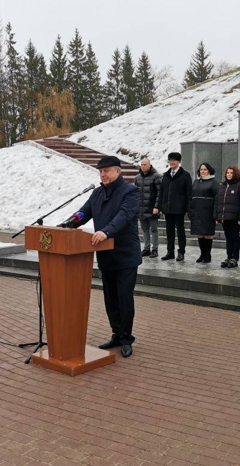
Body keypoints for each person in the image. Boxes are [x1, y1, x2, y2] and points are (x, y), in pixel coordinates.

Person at [70, 156, 142, 358]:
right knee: (110, 299)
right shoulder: (97, 193)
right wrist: (68, 223)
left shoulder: (131, 192)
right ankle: (116, 334)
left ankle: (126, 338)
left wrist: (106, 231)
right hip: (105, 254)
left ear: (118, 171)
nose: (103, 174)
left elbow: (125, 216)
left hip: (125, 255)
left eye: (107, 170)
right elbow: (84, 213)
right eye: (100, 171)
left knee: (124, 298)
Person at [158, 152, 192, 261]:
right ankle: (170, 252)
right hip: (168, 208)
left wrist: (188, 208)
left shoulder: (185, 175)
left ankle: (181, 252)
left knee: (180, 231)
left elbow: (189, 193)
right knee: (169, 231)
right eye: (170, 160)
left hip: (179, 208)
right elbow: (162, 191)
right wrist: (161, 206)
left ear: (179, 162)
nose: (172, 162)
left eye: (174, 160)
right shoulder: (166, 175)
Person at [214, 165, 240, 268]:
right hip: (224, 217)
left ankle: (235, 258)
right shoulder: (222, 186)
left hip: (235, 218)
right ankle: (229, 257)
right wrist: (217, 216)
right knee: (228, 238)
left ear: (235, 174)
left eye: (231, 173)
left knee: (235, 237)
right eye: (228, 173)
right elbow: (217, 202)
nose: (229, 175)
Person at [189, 162, 219, 263]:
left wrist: (216, 214)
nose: (202, 171)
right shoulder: (196, 182)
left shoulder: (213, 182)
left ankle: (207, 255)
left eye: (205, 169)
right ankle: (202, 254)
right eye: (201, 169)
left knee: (207, 234)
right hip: (197, 210)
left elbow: (217, 198)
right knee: (200, 234)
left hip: (208, 211)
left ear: (209, 170)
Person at [134, 158, 162, 258]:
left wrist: (157, 206)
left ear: (150, 165)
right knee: (145, 229)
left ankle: (155, 249)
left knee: (154, 230)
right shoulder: (137, 177)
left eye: (145, 164)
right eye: (142, 164)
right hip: (141, 209)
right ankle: (146, 248)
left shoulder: (156, 176)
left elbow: (160, 193)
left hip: (152, 208)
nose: (143, 166)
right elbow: (135, 194)